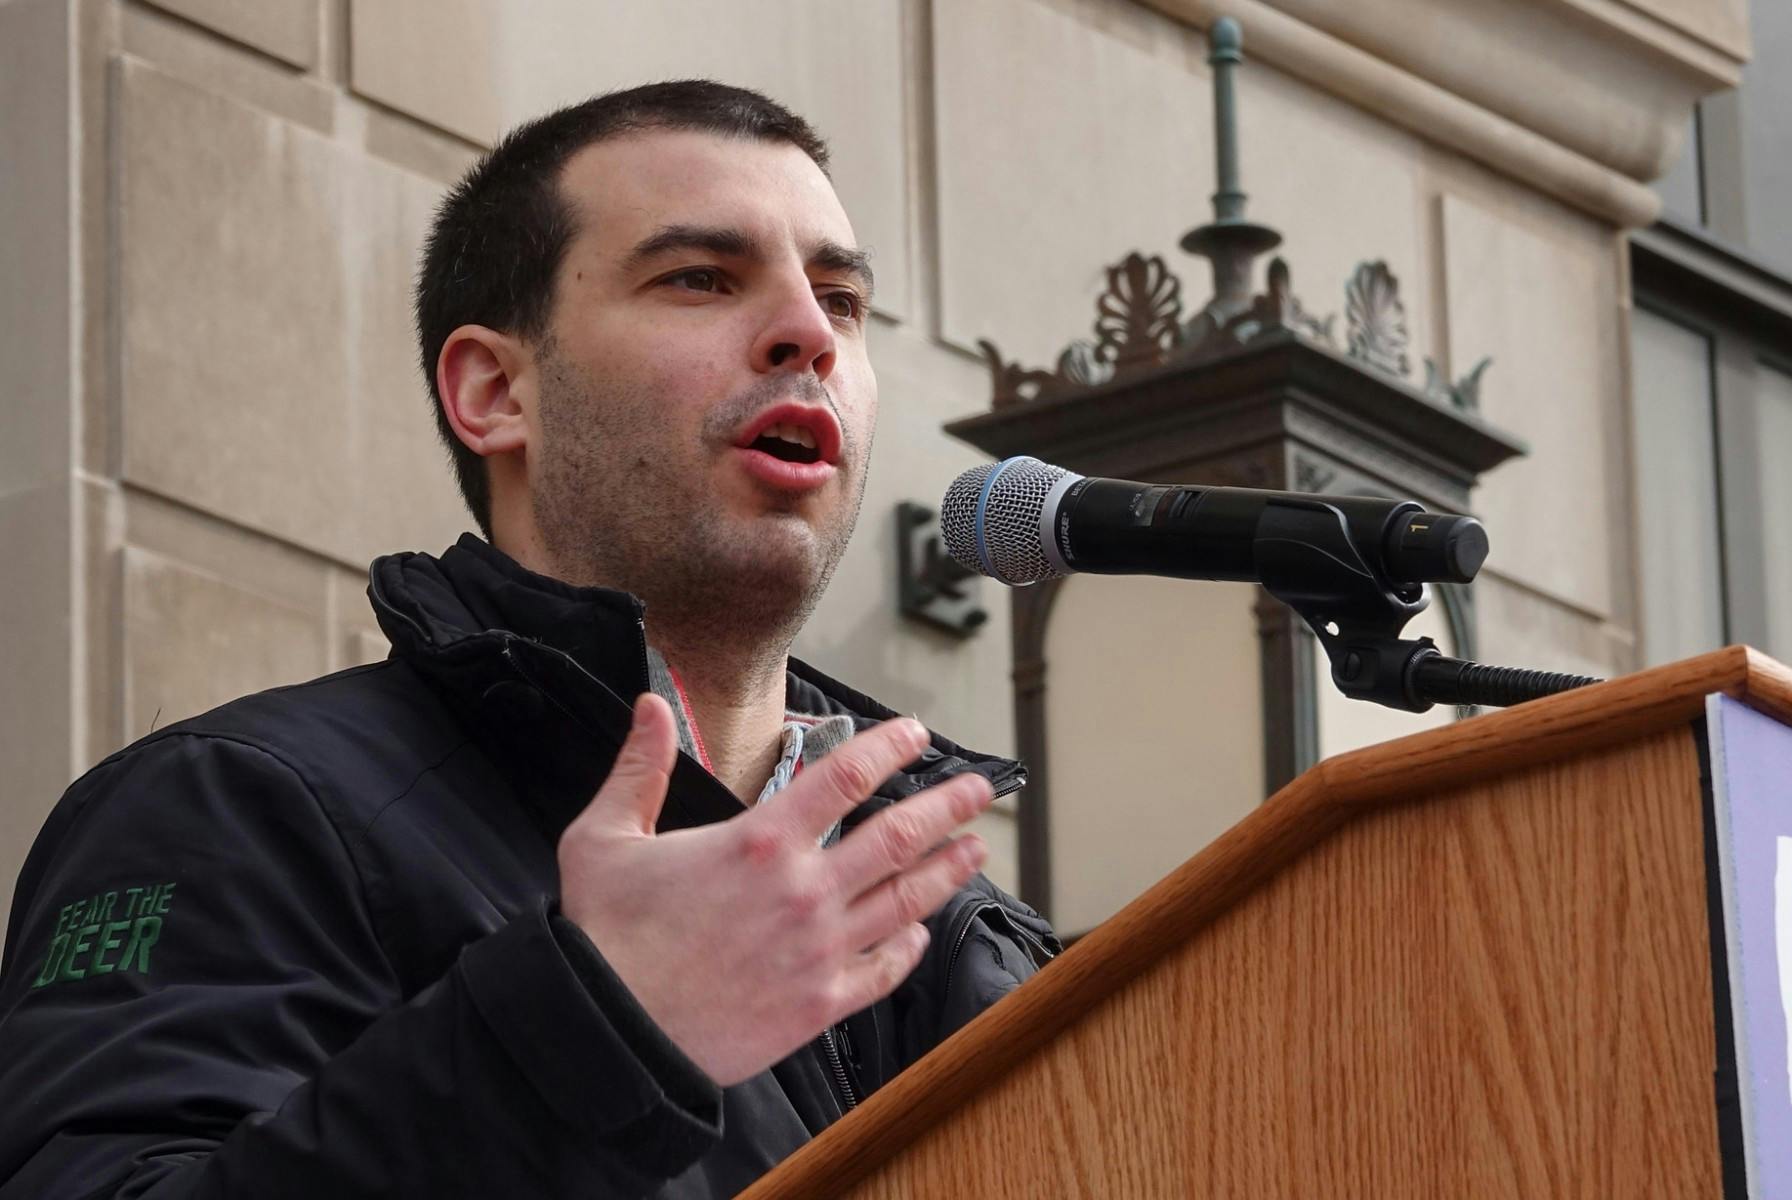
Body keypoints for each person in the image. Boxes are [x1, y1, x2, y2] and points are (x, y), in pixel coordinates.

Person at [0, 80, 1058, 1199]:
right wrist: (592, 1030)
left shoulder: (980, 933)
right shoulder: (237, 807)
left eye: (840, 298)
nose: (809, 334)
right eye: (698, 277)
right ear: (496, 390)